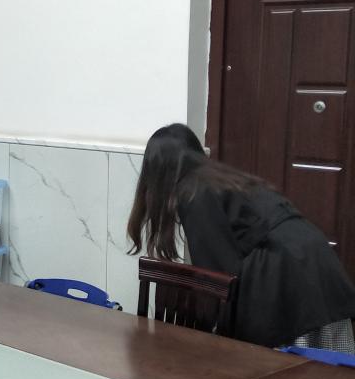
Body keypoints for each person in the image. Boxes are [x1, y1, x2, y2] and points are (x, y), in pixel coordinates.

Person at [127, 123, 355, 350]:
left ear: (157, 172)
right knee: (332, 366)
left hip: (288, 275)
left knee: (292, 367)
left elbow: (218, 279)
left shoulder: (194, 193)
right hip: (317, 260)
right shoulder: (222, 178)